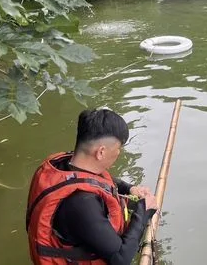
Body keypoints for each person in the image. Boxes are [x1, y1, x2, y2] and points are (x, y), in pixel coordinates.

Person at [26, 107, 158, 265]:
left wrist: (129, 188)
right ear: (101, 152)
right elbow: (120, 259)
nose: (118, 153)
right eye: (118, 148)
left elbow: (95, 181)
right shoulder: (81, 204)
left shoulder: (66, 164)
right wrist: (144, 212)